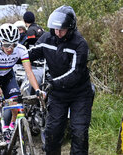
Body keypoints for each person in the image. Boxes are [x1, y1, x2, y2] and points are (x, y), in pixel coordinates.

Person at [28, 5, 95, 154]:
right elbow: (29, 55)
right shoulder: (47, 38)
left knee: (79, 133)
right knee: (53, 132)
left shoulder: (80, 44)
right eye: (55, 29)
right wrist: (11, 54)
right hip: (58, 95)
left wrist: (52, 83)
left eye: (62, 30)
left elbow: (75, 73)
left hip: (80, 94)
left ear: (70, 28)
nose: (58, 33)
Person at [0, 23, 42, 148]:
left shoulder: (21, 49)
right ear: (1, 42)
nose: (10, 49)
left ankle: (10, 128)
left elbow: (29, 72)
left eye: (13, 44)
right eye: (7, 45)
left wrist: (38, 90)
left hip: (8, 76)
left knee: (16, 103)